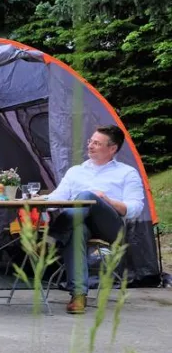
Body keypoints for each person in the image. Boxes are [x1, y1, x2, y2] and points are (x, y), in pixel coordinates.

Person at [42, 125, 144, 314]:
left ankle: (53, 238)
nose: (90, 146)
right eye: (90, 141)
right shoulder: (75, 171)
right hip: (78, 223)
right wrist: (33, 200)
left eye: (97, 143)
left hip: (111, 228)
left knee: (89, 196)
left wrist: (106, 200)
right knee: (77, 230)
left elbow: (135, 209)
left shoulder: (126, 173)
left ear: (112, 148)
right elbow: (58, 198)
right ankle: (78, 296)